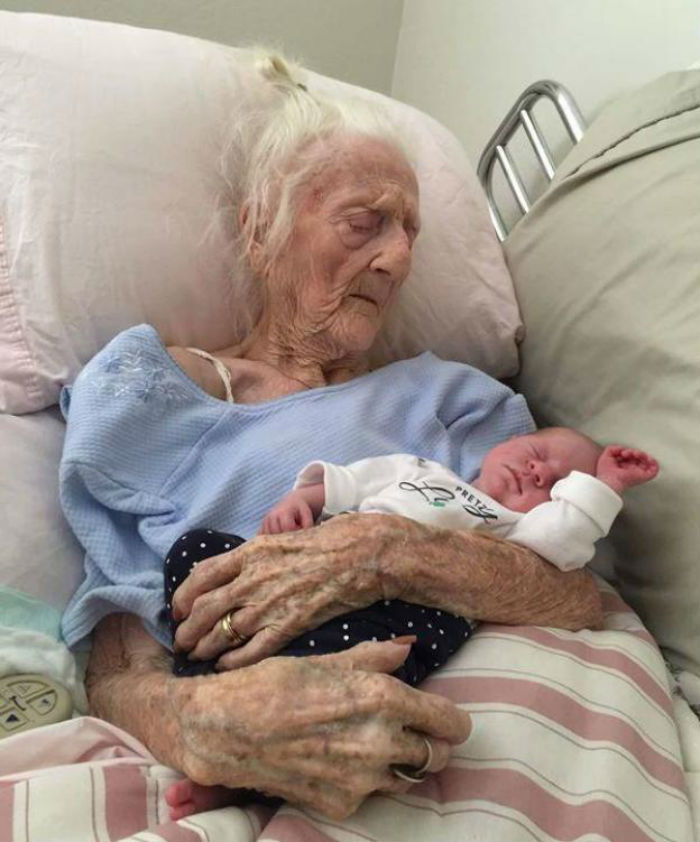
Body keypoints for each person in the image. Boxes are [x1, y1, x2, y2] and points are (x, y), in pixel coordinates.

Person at [58, 52, 603, 822]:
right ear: (260, 229)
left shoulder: (456, 397)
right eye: (364, 221)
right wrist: (197, 720)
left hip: (487, 730)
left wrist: (383, 550)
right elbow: (114, 656)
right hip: (256, 716)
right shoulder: (146, 394)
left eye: (411, 231)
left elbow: (573, 592)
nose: (400, 257)